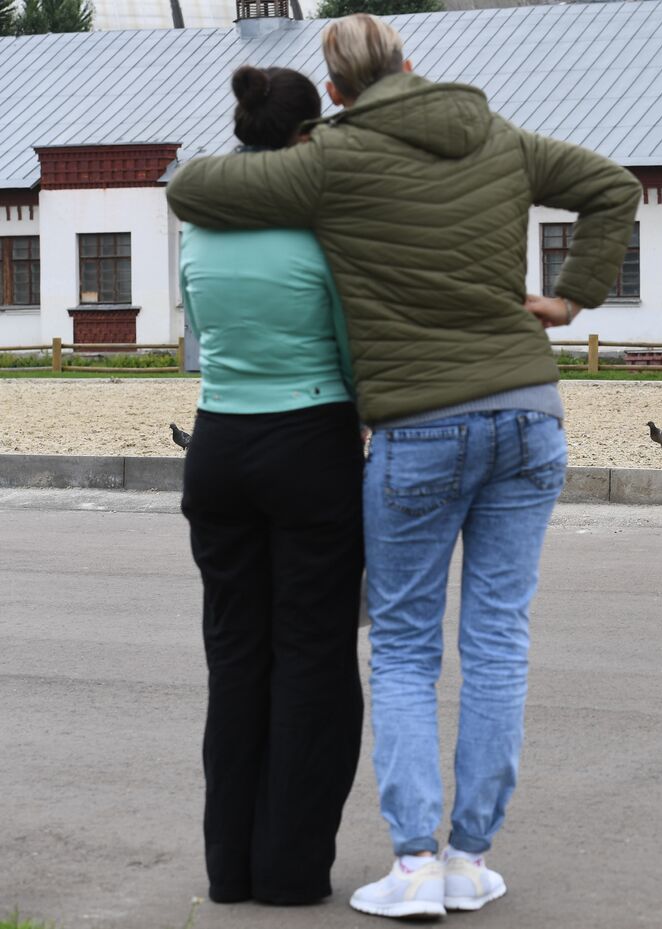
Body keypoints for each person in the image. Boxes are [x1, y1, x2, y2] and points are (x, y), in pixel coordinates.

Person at [166, 13, 642, 920]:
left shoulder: (333, 160)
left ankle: (417, 863)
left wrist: (307, 145)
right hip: (530, 412)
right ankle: (471, 855)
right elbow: (613, 185)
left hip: (420, 426)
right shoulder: (501, 135)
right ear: (413, 65)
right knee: (499, 638)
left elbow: (193, 187)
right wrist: (574, 294)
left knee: (405, 646)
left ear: (338, 95)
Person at [178, 65, 363, 907]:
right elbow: (351, 343)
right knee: (314, 660)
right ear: (307, 136)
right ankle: (290, 872)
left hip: (217, 441)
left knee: (236, 659)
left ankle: (230, 870)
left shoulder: (200, 221)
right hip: (308, 439)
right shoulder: (321, 220)